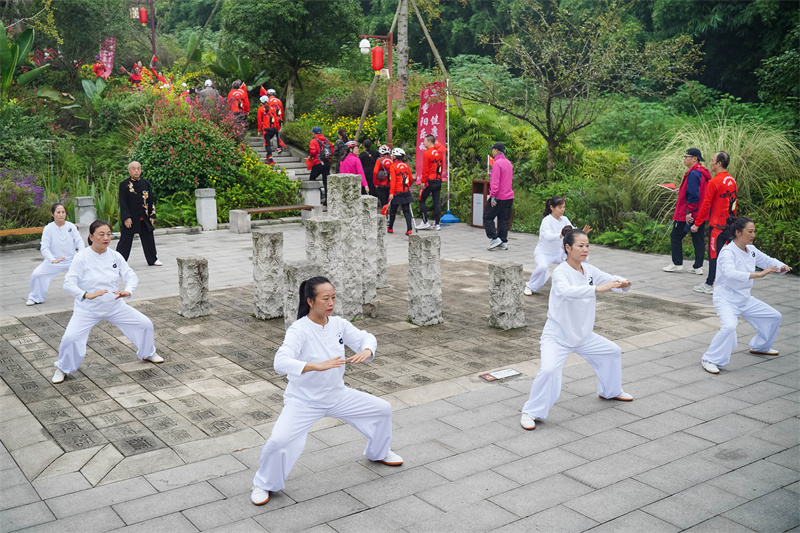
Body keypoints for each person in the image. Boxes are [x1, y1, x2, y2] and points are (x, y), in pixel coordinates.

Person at [251, 277, 402, 506]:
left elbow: (366, 337)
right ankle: (264, 483)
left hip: (338, 395)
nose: (331, 303)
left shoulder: (339, 324)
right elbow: (280, 362)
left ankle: (378, 453)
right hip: (304, 401)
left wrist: (367, 350)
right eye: (325, 298)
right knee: (279, 441)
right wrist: (315, 366)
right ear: (310, 301)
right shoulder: (299, 329)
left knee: (382, 409)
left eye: (333, 297)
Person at [520, 230, 633, 430]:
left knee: (612, 352)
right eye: (580, 246)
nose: (585, 249)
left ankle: (610, 391)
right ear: (568, 248)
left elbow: (610, 279)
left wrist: (623, 283)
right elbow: (565, 291)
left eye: (587, 245)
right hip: (557, 337)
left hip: (584, 336)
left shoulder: (589, 270)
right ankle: (531, 412)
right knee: (548, 371)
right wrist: (596, 289)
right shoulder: (561, 272)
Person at [52, 220, 163, 384]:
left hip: (115, 306)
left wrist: (128, 290)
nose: (106, 238)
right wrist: (86, 295)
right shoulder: (81, 257)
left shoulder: (115, 256)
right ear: (91, 237)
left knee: (145, 324)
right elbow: (68, 283)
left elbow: (130, 275)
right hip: (87, 310)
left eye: (109, 234)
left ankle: (148, 353)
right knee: (70, 338)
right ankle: (62, 368)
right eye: (101, 234)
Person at [698, 217, 790, 374]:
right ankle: (710, 359)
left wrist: (781, 266)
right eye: (750, 231)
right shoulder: (727, 252)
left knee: (774, 317)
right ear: (738, 233)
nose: (753, 235)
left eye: (754, 231)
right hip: (726, 299)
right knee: (729, 327)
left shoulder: (751, 250)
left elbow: (768, 261)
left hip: (745, 299)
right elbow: (730, 273)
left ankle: (760, 347)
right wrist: (758, 274)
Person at [690, 151, 737, 295]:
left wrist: (697, 224)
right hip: (730, 226)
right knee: (727, 257)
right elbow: (734, 204)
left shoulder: (714, 182)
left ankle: (710, 284)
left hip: (717, 227)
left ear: (719, 163)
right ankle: (724, 284)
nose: (710, 162)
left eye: (712, 160)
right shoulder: (732, 180)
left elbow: (706, 205)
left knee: (714, 256)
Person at [524, 196, 592, 295]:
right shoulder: (546, 221)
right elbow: (547, 236)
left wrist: (582, 232)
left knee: (583, 258)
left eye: (564, 207)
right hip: (544, 253)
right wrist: (560, 235)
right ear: (552, 207)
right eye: (560, 207)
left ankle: (581, 282)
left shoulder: (565, 219)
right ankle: (530, 286)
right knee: (542, 267)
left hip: (558, 253)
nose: (562, 210)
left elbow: (573, 232)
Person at [663, 148, 711, 274]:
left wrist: (689, 212)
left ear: (694, 159)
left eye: (686, 156)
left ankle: (677, 264)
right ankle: (698, 267)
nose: (684, 159)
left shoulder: (693, 173)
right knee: (698, 239)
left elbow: (694, 194)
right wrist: (681, 190)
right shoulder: (702, 172)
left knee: (675, 236)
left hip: (689, 212)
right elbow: (696, 190)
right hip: (701, 212)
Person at [26, 203, 84, 306]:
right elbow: (44, 247)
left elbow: (79, 242)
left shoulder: (71, 226)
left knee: (87, 272)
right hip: (54, 261)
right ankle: (35, 298)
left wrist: (80, 255)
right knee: (37, 274)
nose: (61, 215)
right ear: (53, 214)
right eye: (58, 212)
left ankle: (88, 295)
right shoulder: (48, 228)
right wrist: (52, 259)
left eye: (63, 212)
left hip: (71, 260)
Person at [117, 161, 161, 266]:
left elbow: (151, 200)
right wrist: (126, 217)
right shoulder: (124, 185)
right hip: (130, 217)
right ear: (129, 170)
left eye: (138, 168)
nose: (136, 171)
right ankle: (119, 261)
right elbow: (122, 202)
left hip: (144, 217)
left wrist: (151, 215)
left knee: (149, 238)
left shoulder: (146, 184)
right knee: (125, 240)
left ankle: (153, 259)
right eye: (133, 169)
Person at [484, 142, 514, 250]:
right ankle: (503, 241)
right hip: (508, 196)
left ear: (496, 150)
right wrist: (492, 175)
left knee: (487, 217)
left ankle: (494, 238)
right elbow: (505, 178)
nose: (492, 151)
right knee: (503, 219)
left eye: (493, 149)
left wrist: (493, 197)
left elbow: (495, 183)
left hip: (499, 197)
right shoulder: (508, 163)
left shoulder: (497, 163)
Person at [416, 135, 444, 231]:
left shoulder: (427, 153)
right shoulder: (439, 152)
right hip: (438, 180)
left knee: (421, 200)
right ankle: (437, 224)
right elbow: (441, 167)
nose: (423, 143)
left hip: (429, 181)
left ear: (429, 142)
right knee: (436, 202)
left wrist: (423, 181)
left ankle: (425, 222)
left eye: (425, 141)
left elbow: (425, 168)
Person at [387, 147, 414, 235]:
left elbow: (393, 181)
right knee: (407, 211)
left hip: (396, 192)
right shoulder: (406, 166)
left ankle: (390, 228)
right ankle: (409, 229)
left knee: (393, 211)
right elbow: (410, 179)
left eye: (392, 155)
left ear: (395, 157)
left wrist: (391, 192)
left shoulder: (393, 166)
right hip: (405, 191)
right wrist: (408, 187)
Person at [308, 127, 333, 204]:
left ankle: (319, 194)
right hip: (327, 163)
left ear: (314, 133)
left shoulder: (313, 141)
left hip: (318, 163)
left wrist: (310, 156)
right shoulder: (327, 141)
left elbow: (313, 152)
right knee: (326, 182)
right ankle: (327, 201)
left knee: (312, 179)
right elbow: (332, 151)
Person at [257, 95, 279, 165]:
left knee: (267, 144)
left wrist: (258, 130)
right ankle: (268, 155)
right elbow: (276, 119)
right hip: (273, 130)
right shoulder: (272, 108)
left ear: (261, 102)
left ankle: (271, 160)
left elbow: (259, 121)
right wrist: (278, 128)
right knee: (268, 143)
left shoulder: (260, 109)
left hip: (266, 130)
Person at [373, 145, 392, 210]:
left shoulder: (379, 161)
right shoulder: (391, 161)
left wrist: (375, 183)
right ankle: (387, 212)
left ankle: (384, 213)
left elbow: (375, 172)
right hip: (389, 184)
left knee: (383, 202)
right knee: (388, 201)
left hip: (381, 184)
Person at [267, 89, 286, 153]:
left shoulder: (268, 101)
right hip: (279, 118)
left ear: (269, 94)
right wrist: (281, 118)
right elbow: (282, 110)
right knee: (278, 134)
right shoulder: (279, 101)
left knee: (269, 132)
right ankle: (279, 147)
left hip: (272, 119)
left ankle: (267, 144)